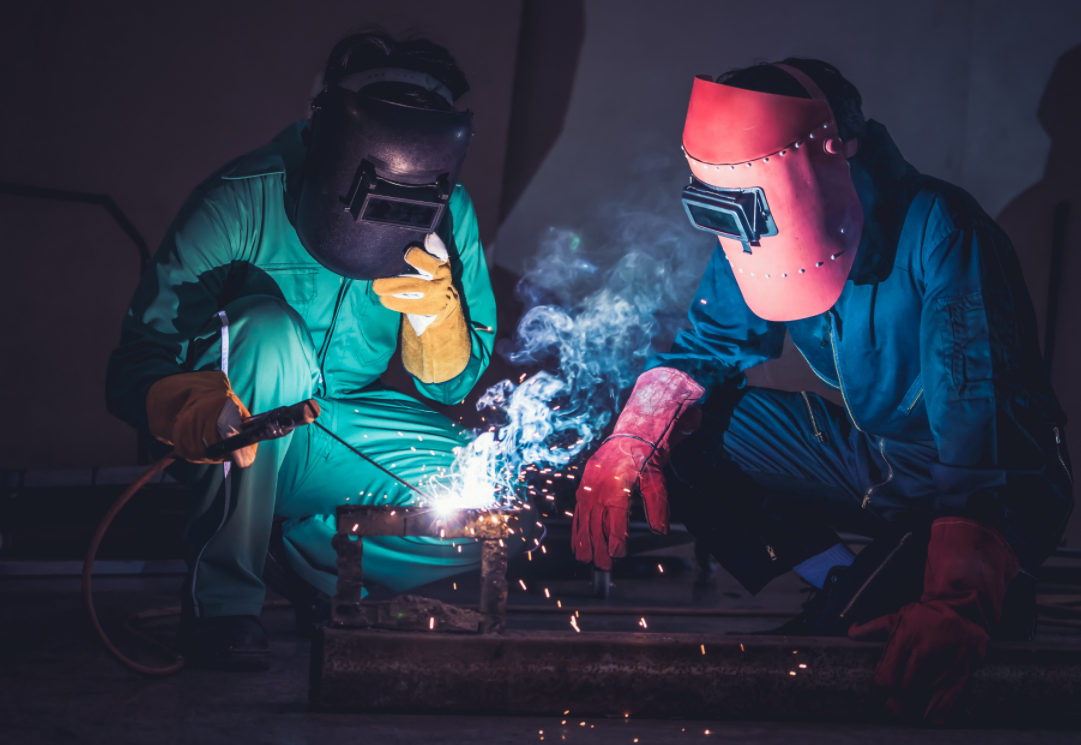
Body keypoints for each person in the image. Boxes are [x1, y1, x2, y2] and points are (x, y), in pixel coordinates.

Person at [573, 59, 1073, 723]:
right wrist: (632, 434)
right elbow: (706, 348)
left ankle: (987, 583)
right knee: (678, 427)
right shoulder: (747, 220)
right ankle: (837, 579)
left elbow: (974, 412)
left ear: (837, 152)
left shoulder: (941, 228)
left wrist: (957, 596)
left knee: (861, 645)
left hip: (1000, 482)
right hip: (879, 459)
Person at [106, 30, 497, 670]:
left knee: (492, 501)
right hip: (239, 431)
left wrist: (439, 318)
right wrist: (190, 403)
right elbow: (135, 361)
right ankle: (224, 603)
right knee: (268, 331)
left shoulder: (449, 213)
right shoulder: (242, 196)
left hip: (339, 426)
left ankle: (304, 564)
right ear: (332, 130)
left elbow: (450, 387)